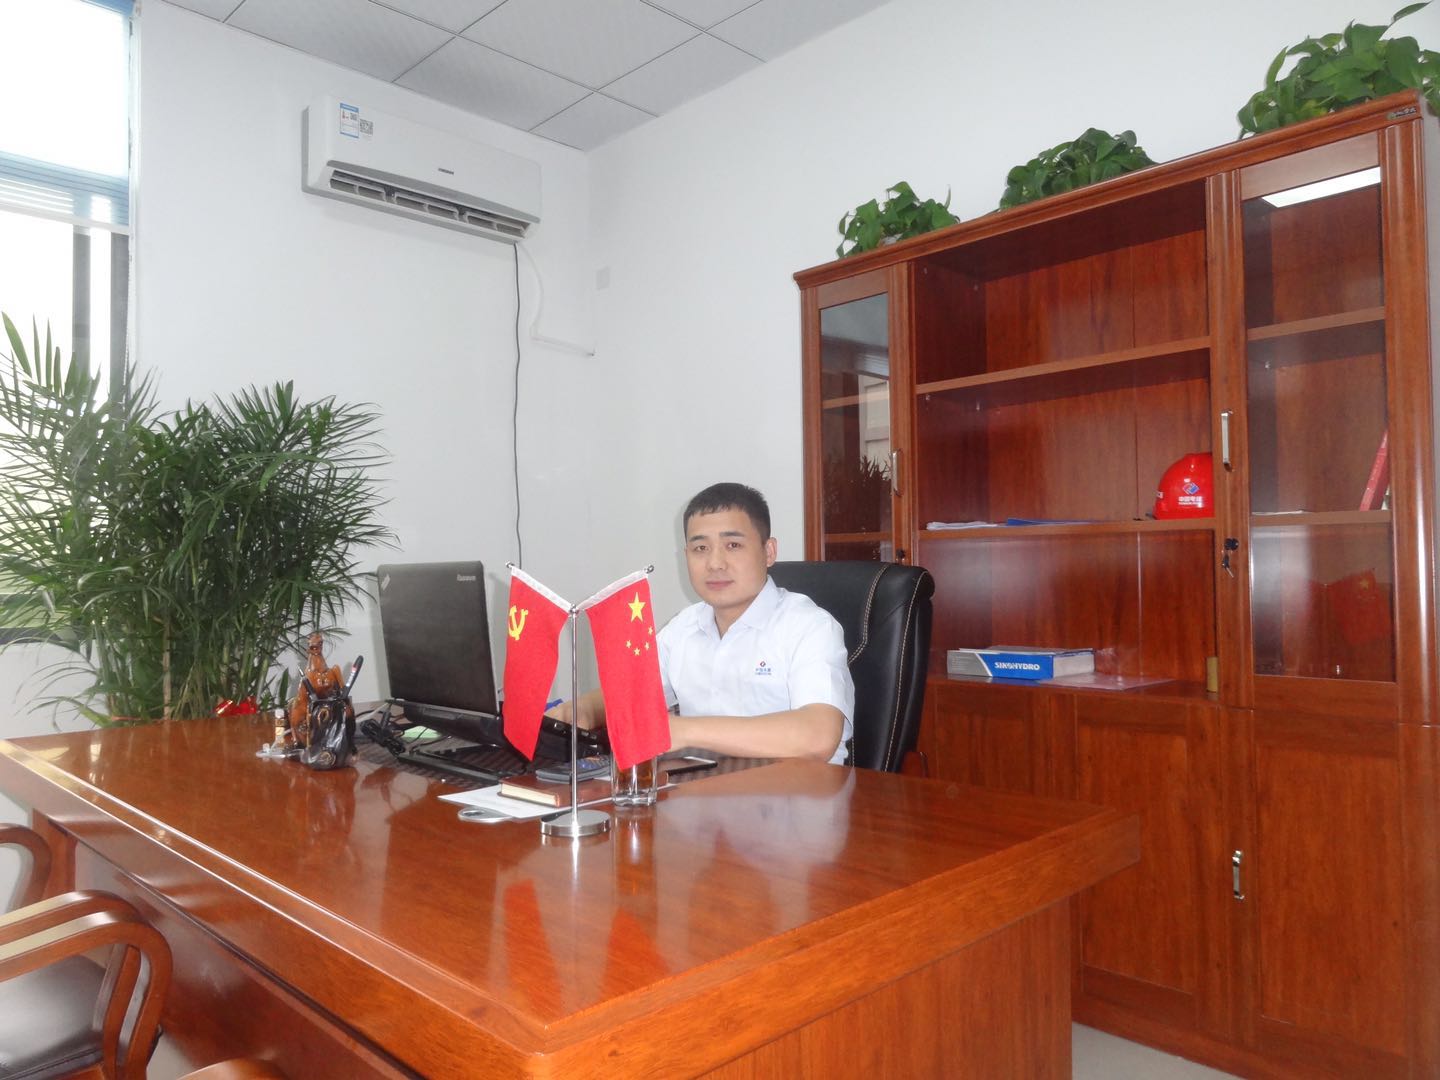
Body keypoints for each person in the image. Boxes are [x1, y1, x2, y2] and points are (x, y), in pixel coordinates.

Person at [554, 482, 854, 764]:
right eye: (700, 549)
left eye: (733, 545)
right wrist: (584, 710)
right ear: (685, 556)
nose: (715, 563)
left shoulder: (809, 626)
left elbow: (818, 736)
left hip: (799, 796)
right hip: (703, 792)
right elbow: (633, 693)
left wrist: (683, 731)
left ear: (768, 551)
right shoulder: (683, 628)